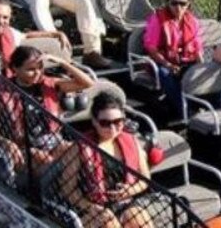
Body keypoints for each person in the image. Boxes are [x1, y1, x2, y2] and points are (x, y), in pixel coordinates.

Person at [0, 44, 95, 176]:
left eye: (40, 68)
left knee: (83, 153)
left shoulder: (49, 84)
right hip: (25, 146)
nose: (37, 73)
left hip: (53, 141)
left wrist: (62, 62)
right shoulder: (2, 91)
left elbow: (87, 83)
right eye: (31, 69)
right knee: (51, 164)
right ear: (15, 68)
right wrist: (7, 143)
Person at [62, 92, 159, 228]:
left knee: (142, 223)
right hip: (91, 206)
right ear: (94, 122)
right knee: (110, 224)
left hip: (125, 202)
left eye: (118, 121)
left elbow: (144, 179)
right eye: (105, 123)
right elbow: (67, 188)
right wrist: (90, 207)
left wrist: (130, 190)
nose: (112, 128)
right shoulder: (80, 146)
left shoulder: (131, 141)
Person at [142, 0, 203, 120]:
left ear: (188, 4)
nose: (178, 7)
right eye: (174, 3)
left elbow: (197, 47)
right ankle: (184, 111)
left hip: (185, 60)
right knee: (165, 74)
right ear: (167, 3)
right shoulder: (158, 19)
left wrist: (202, 66)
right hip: (163, 61)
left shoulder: (192, 21)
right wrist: (167, 64)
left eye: (183, 4)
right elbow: (151, 48)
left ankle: (209, 107)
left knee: (203, 73)